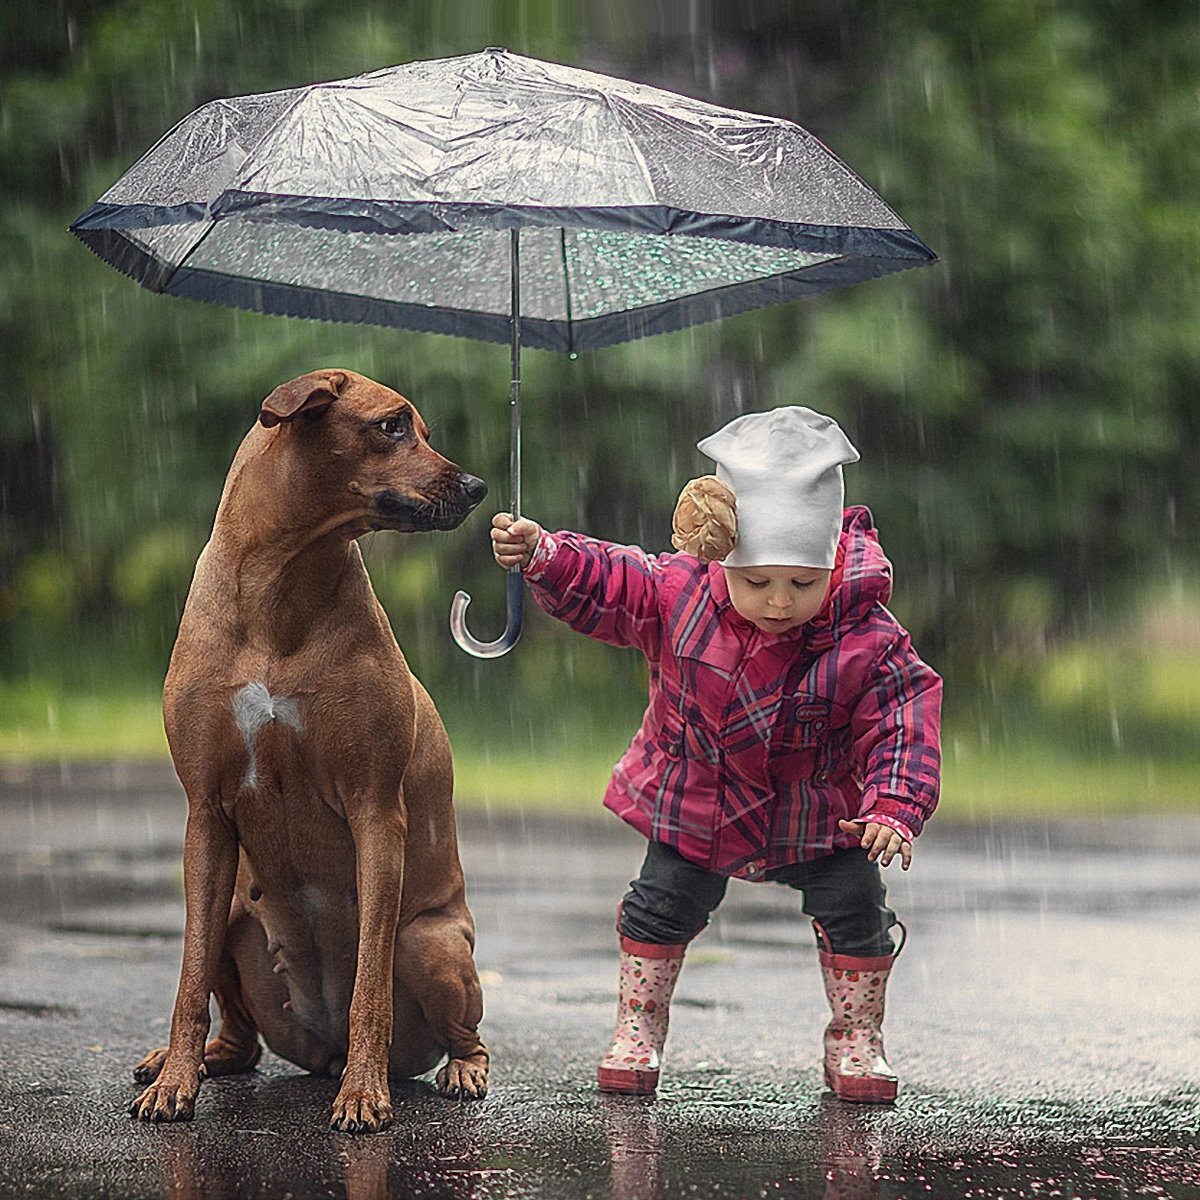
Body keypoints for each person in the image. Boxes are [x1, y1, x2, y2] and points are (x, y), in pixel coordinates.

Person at [490, 406, 942, 1104]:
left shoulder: (867, 635)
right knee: (657, 907)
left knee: (857, 908)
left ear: (831, 566)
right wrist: (547, 555)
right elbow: (612, 580)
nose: (780, 601)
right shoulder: (680, 592)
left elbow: (904, 715)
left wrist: (894, 803)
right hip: (697, 798)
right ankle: (639, 1025)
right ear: (726, 557)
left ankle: (857, 1038)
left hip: (820, 813)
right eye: (758, 581)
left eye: (803, 582)